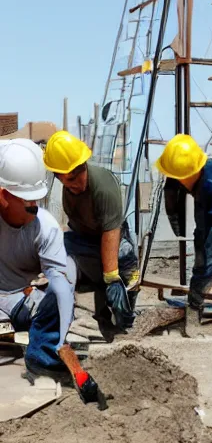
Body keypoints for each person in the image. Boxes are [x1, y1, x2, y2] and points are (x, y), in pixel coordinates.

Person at [0, 139, 98, 397]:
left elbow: (60, 284)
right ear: (4, 196)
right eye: (27, 201)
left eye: (37, 200)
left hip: (18, 299)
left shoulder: (46, 227)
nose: (35, 207)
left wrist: (59, 335)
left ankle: (41, 361)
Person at [43, 131, 138, 341]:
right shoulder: (68, 193)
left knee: (124, 266)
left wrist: (112, 276)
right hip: (85, 240)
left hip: (114, 240)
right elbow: (74, 231)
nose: (79, 181)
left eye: (81, 172)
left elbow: (110, 233)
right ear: (59, 177)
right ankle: (64, 315)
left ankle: (126, 323)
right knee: (59, 255)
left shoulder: (103, 187)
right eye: (71, 179)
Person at [155, 134, 212, 335]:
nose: (175, 179)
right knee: (200, 242)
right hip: (204, 192)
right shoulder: (180, 170)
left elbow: (208, 236)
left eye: (178, 177)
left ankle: (195, 305)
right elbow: (172, 198)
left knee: (209, 254)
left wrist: (201, 262)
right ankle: (193, 289)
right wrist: (178, 229)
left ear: (192, 172)